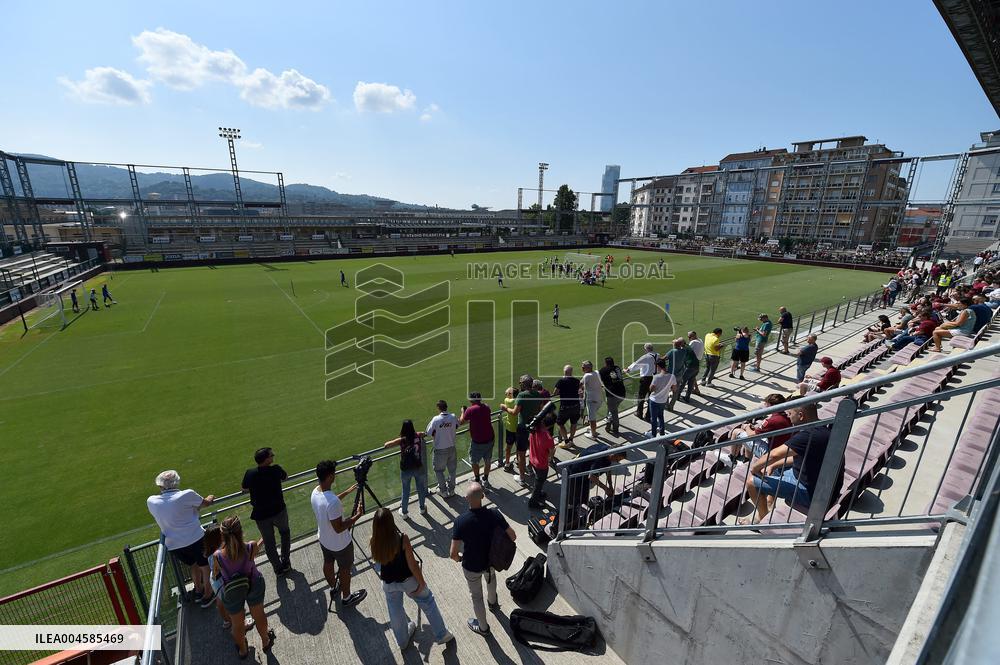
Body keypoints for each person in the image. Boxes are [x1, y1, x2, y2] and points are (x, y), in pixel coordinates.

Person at [741, 403, 844, 524]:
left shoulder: (808, 435)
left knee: (751, 482)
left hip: (812, 494)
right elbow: (800, 457)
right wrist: (774, 465)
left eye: (790, 414)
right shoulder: (823, 428)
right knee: (774, 469)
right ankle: (769, 503)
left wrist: (754, 468)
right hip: (825, 488)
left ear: (801, 415)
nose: (788, 417)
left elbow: (774, 454)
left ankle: (762, 520)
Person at [370, 508, 453, 650]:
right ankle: (441, 634)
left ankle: (402, 641)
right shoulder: (402, 539)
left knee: (395, 611)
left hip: (388, 583)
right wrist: (422, 583)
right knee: (428, 601)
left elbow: (378, 562)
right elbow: (413, 565)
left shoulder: (373, 541)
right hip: (408, 581)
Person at [450, 483, 516, 636]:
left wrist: (460, 559)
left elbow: (453, 553)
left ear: (466, 498)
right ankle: (493, 603)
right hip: (491, 562)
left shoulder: (460, 521)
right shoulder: (495, 514)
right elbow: (513, 536)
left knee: (476, 597)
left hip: (471, 566)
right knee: (491, 580)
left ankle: (483, 628)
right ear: (483, 496)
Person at [146, 470, 216, 608]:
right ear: (177, 482)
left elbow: (172, 511)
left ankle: (198, 590)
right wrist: (211, 497)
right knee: (205, 566)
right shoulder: (187, 494)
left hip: (174, 545)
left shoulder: (151, 501)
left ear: (160, 485)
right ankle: (208, 595)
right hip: (196, 538)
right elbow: (205, 503)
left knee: (193, 565)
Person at [212, 516, 275, 658]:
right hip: (253, 583)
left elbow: (216, 574)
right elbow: (253, 553)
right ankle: (265, 641)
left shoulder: (217, 556)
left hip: (231, 591)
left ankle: (243, 651)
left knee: (237, 624)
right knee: (259, 615)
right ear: (241, 532)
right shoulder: (251, 546)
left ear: (222, 536)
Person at [311, 460, 366, 608]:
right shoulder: (333, 502)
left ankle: (333, 587)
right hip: (340, 544)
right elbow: (339, 528)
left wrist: (347, 492)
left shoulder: (316, 491)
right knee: (345, 569)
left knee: (328, 563)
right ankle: (347, 597)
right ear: (330, 476)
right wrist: (357, 516)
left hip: (324, 539)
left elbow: (329, 501)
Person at [241, 448, 291, 574]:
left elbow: (244, 488)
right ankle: (285, 561)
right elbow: (285, 477)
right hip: (279, 511)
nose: (273, 456)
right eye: (271, 455)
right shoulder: (276, 469)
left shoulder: (250, 473)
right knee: (285, 533)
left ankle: (277, 568)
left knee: (269, 542)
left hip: (261, 515)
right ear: (266, 459)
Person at [719, 394, 792, 469]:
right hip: (783, 450)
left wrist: (747, 427)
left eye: (766, 404)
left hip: (772, 453)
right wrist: (752, 429)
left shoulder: (772, 420)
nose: (765, 406)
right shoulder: (787, 416)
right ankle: (746, 461)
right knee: (748, 434)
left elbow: (752, 435)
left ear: (771, 405)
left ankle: (731, 459)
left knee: (736, 432)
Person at [501, 375, 545, 486]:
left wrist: (505, 408)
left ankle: (521, 478)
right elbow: (541, 410)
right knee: (532, 450)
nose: (519, 384)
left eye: (520, 383)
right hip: (534, 427)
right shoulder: (538, 394)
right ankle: (531, 470)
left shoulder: (522, 395)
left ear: (524, 384)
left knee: (521, 454)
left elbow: (514, 412)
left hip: (523, 428)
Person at [382, 420, 428, 518]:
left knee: (405, 490)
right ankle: (422, 508)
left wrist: (386, 443)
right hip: (418, 466)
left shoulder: (402, 440)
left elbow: (387, 444)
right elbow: (424, 433)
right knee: (420, 488)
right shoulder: (418, 435)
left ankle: (404, 512)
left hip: (406, 469)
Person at [460, 392, 495, 488]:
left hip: (478, 441)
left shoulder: (470, 410)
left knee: (474, 461)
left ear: (471, 400)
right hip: (490, 438)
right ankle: (485, 480)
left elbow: (461, 422)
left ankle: (477, 479)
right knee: (487, 460)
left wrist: (463, 411)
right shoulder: (486, 407)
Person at [426, 400, 460, 497]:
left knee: (439, 470)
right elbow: (457, 425)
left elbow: (428, 432)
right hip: (452, 448)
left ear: (438, 408)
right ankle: (451, 490)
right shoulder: (453, 417)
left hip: (440, 450)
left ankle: (443, 491)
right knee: (452, 470)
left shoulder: (436, 419)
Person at [527, 411, 557, 509]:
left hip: (532, 459)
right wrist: (550, 457)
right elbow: (552, 451)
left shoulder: (534, 428)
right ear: (551, 424)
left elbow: (529, 440)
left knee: (538, 480)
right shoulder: (548, 437)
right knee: (539, 482)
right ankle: (533, 502)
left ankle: (538, 493)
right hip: (541, 464)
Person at [626, 343, 658, 421]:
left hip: (646, 379)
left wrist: (628, 370)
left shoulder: (646, 357)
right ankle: (648, 416)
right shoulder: (657, 355)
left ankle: (639, 413)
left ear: (646, 349)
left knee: (641, 396)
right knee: (651, 397)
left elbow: (636, 364)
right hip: (654, 378)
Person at [553, 365, 582, 448]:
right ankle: (571, 439)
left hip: (565, 407)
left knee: (560, 423)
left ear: (564, 372)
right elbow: (580, 389)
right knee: (574, 422)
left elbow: (555, 393)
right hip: (576, 405)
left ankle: (566, 441)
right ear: (571, 372)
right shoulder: (576, 381)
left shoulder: (561, 381)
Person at [646, 358, 675, 438]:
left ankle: (653, 434)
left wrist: (654, 379)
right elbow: (674, 388)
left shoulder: (656, 377)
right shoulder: (672, 376)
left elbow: (651, 389)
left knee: (653, 418)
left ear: (658, 366)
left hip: (654, 400)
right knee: (661, 416)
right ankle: (662, 433)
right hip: (663, 400)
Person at [599, 356, 626, 437]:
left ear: (606, 363)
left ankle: (615, 428)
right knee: (612, 410)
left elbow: (600, 379)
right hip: (622, 394)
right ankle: (609, 421)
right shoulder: (617, 368)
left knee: (614, 412)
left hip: (612, 395)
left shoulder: (603, 370)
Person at [580, 361, 603, 440]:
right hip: (599, 399)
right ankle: (593, 430)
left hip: (592, 401)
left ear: (588, 368)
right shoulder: (596, 372)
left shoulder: (587, 376)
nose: (582, 368)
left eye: (583, 367)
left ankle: (593, 434)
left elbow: (580, 384)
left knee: (592, 419)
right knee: (592, 417)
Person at [501, 386, 519, 472]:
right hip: (519, 428)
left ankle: (507, 463)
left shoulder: (507, 400)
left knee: (508, 447)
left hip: (511, 428)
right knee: (519, 446)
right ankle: (518, 460)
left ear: (510, 394)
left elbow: (506, 394)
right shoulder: (518, 401)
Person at [684, 331, 704, 399]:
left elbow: (687, 350)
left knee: (686, 377)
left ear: (694, 336)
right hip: (697, 361)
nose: (688, 338)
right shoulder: (700, 340)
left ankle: (682, 392)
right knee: (693, 376)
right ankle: (696, 389)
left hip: (692, 362)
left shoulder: (693, 342)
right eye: (688, 337)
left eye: (689, 337)